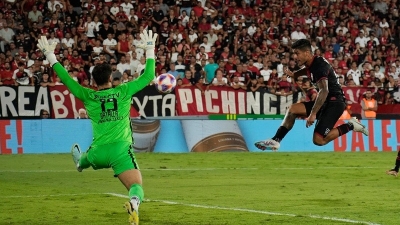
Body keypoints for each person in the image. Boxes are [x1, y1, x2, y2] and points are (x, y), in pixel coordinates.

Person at [37, 30, 158, 225]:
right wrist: (150, 50)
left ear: (93, 81)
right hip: (120, 151)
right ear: (111, 78)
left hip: (98, 152)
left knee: (86, 159)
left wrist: (50, 56)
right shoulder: (123, 91)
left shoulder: (88, 95)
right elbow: (149, 75)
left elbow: (67, 80)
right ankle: (134, 204)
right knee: (136, 185)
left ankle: (80, 163)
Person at [254, 39, 369, 151]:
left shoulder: (319, 66)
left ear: (307, 53)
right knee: (292, 109)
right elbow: (307, 70)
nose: (295, 57)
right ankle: (276, 140)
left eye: (297, 53)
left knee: (319, 140)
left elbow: (324, 91)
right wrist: (295, 75)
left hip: (335, 103)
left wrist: (313, 113)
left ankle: (351, 125)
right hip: (325, 101)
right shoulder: (312, 63)